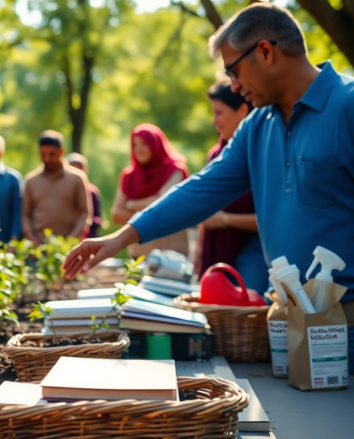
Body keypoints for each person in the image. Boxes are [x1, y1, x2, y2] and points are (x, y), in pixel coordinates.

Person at [61, 3, 354, 375]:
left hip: (347, 326)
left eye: (233, 70)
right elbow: (202, 188)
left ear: (265, 51)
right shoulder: (256, 127)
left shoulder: (347, 106)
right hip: (284, 325)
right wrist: (121, 237)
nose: (233, 85)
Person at [196, 79, 267, 292]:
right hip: (216, 254)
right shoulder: (216, 154)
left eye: (219, 113)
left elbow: (273, 218)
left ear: (242, 110)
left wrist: (225, 220)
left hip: (254, 252)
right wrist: (198, 254)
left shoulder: (262, 153)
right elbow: (203, 212)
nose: (213, 120)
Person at [111, 124, 190, 259]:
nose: (138, 149)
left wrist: (130, 205)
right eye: (134, 145)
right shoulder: (128, 176)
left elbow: (162, 202)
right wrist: (151, 211)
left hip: (172, 253)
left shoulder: (176, 170)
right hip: (139, 255)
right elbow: (116, 215)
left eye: (144, 144)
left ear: (156, 145)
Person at [22, 130, 92, 246]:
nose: (47, 159)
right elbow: (25, 214)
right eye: (43, 154)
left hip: (67, 248)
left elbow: (85, 213)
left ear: (61, 152)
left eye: (51, 154)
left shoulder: (77, 178)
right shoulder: (31, 181)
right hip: (37, 249)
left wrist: (71, 240)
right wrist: (32, 238)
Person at [66, 152, 102, 238]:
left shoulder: (92, 191)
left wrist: (87, 221)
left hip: (88, 235)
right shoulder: (64, 191)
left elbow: (97, 217)